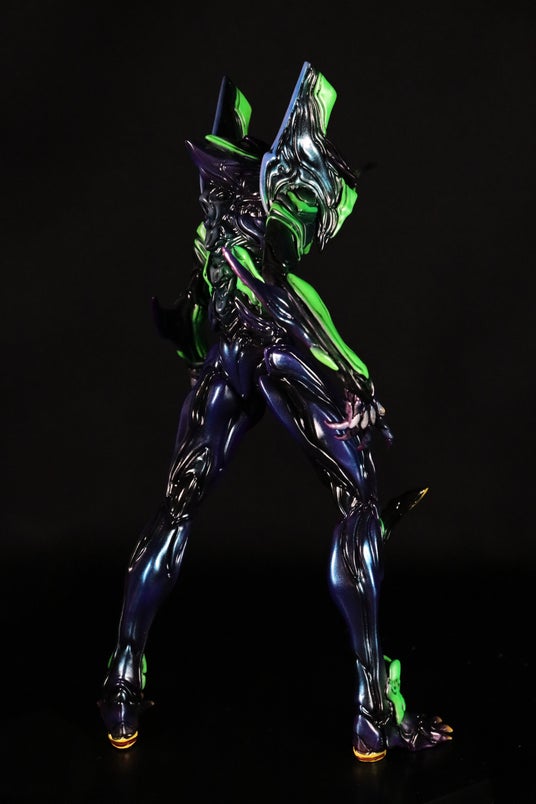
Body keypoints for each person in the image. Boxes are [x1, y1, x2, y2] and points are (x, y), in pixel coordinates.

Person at [98, 61, 452, 761]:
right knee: (356, 503)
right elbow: (284, 297)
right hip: (272, 353)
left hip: (233, 356)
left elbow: (222, 305)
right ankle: (374, 713)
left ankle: (122, 684)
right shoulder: (256, 230)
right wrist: (351, 375)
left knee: (179, 505)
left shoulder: (220, 226)